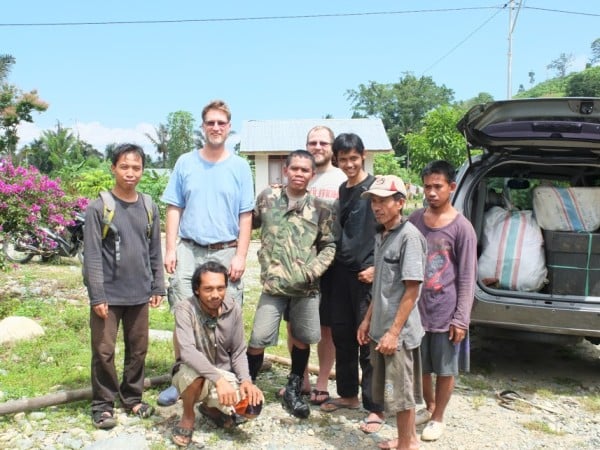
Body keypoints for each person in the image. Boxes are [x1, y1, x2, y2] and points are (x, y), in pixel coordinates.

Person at [158, 99, 255, 406]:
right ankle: (182, 377)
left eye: (221, 123)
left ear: (229, 128)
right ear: (203, 127)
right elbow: (174, 207)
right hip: (189, 247)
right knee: (182, 312)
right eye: (210, 122)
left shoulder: (239, 166)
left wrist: (241, 255)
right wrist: (170, 248)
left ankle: (227, 376)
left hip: (226, 249)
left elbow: (245, 215)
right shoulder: (185, 162)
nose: (216, 127)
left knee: (225, 313)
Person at [246, 150, 336, 418]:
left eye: (305, 170)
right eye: (294, 168)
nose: (299, 173)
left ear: (312, 174)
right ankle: (248, 388)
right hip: (273, 286)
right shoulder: (267, 198)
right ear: (285, 170)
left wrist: (313, 271)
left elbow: (329, 245)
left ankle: (294, 389)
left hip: (305, 288)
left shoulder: (321, 208)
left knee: (301, 339)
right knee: (258, 338)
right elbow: (248, 224)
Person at [83, 143, 165, 429]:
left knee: (138, 349)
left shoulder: (148, 206)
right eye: (125, 167)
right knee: (104, 350)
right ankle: (103, 404)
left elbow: (155, 249)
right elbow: (92, 254)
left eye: (137, 167)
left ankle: (132, 397)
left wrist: (158, 287)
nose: (131, 173)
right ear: (113, 168)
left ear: (142, 170)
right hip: (108, 295)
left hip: (140, 293)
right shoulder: (98, 208)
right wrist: (97, 295)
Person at [319, 133, 385, 433]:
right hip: (339, 275)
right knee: (343, 335)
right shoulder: (342, 191)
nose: (348, 164)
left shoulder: (376, 188)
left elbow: (391, 232)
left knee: (367, 340)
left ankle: (375, 406)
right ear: (337, 159)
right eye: (342, 159)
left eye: (353, 158)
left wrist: (377, 267)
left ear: (363, 155)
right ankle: (348, 395)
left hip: (366, 276)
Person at [408, 160, 477, 442]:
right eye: (427, 186)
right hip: (415, 310)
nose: (432, 192)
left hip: (446, 311)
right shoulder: (414, 220)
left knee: (445, 369)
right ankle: (429, 407)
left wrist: (461, 318)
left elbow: (467, 277)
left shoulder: (462, 228)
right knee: (420, 366)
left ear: (452, 187)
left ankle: (439, 418)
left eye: (438, 186)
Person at [357, 174, 426, 450]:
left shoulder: (409, 237)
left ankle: (407, 444)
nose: (377, 206)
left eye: (383, 200)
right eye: (374, 200)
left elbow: (412, 290)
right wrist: (367, 320)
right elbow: (382, 284)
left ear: (400, 202)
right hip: (380, 329)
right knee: (390, 391)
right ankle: (405, 438)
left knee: (401, 393)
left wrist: (393, 333)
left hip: (397, 334)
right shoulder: (382, 233)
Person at [278, 125, 347, 403]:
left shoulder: (341, 179)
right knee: (294, 324)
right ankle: (301, 379)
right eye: (312, 142)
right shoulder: (301, 176)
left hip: (330, 265)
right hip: (296, 265)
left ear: (332, 147)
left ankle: (321, 381)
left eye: (323, 142)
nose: (317, 147)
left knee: (326, 327)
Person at [170, 261, 264, 447]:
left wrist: (246, 381)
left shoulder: (233, 309)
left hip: (222, 373)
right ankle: (188, 415)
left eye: (221, 288)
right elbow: (187, 352)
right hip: (190, 372)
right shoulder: (184, 309)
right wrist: (218, 380)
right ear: (197, 289)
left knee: (252, 407)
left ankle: (210, 408)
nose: (215, 295)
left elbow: (237, 351)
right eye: (208, 289)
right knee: (195, 375)